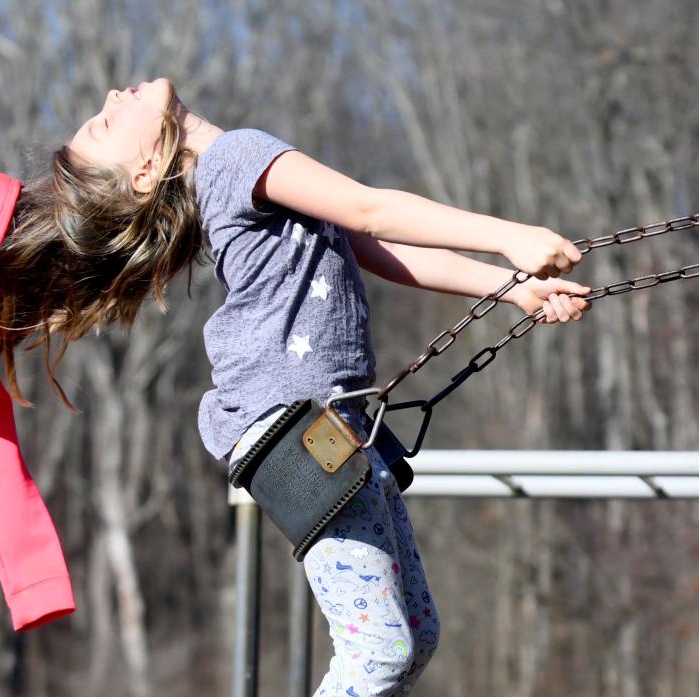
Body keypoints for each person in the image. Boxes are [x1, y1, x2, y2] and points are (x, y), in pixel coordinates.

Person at [55, 77, 592, 696]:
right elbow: (372, 209)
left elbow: (376, 243)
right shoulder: (237, 157)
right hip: (293, 428)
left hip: (328, 424)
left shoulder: (232, 167)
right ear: (146, 171)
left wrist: (509, 286)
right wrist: (508, 237)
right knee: (380, 652)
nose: (110, 99)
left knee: (413, 636)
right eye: (102, 123)